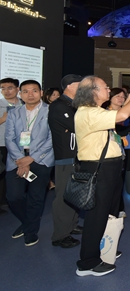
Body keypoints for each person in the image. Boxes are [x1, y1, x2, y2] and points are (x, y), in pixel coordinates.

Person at [73, 76, 130, 277]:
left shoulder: (97, 111)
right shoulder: (88, 112)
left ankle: (105, 249)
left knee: (109, 212)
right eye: (105, 87)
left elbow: (119, 116)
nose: (108, 90)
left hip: (109, 167)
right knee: (97, 215)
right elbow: (123, 115)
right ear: (93, 91)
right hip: (99, 168)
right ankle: (87, 263)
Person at [5, 80, 54, 247]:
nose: (30, 94)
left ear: (41, 93)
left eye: (34, 90)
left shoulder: (50, 111)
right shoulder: (14, 112)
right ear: (20, 94)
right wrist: (21, 160)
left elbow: (52, 139)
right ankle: (28, 222)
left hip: (41, 159)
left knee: (36, 197)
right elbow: (9, 138)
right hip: (17, 159)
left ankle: (30, 232)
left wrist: (32, 158)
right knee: (13, 197)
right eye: (25, 91)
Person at [48, 74, 83, 249]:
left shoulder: (72, 105)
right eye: (80, 85)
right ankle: (60, 235)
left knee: (74, 194)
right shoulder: (59, 106)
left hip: (75, 156)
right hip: (65, 157)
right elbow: (78, 126)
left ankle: (71, 224)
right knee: (63, 197)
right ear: (69, 86)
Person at [102, 88, 130, 218]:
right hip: (109, 151)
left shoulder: (127, 111)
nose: (120, 98)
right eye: (117, 96)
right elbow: (123, 126)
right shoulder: (104, 112)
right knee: (109, 182)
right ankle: (109, 210)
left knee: (120, 179)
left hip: (124, 146)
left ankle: (119, 207)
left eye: (123, 97)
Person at [0, 78, 23, 210]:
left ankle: (12, 198)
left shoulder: (24, 103)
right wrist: (3, 119)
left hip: (20, 145)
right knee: (2, 173)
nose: (6, 91)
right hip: (2, 145)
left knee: (16, 172)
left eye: (9, 88)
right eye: (3, 88)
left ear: (17, 89)